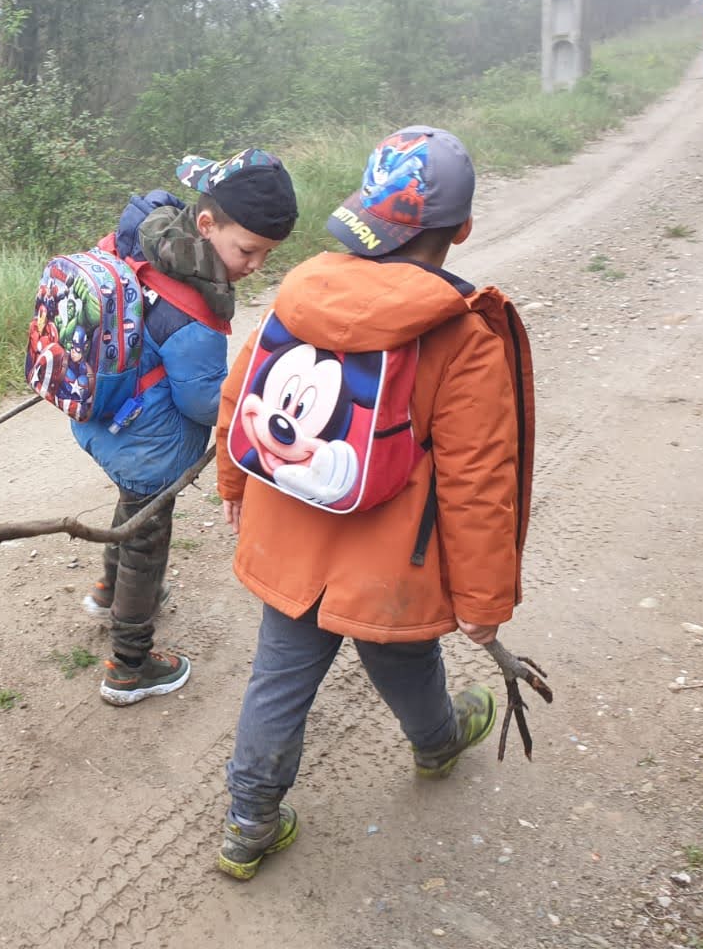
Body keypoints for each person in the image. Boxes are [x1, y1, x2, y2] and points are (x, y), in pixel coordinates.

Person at [212, 126, 534, 880]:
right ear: (462, 229)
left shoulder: (305, 292)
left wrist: (234, 483)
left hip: (293, 538)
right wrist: (483, 600)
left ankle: (249, 822)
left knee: (278, 675)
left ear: (364, 213)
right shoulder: (462, 335)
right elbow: (478, 482)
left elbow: (241, 393)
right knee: (404, 655)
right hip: (392, 563)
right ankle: (438, 742)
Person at [74, 150, 297, 706]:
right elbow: (203, 404)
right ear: (206, 225)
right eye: (248, 249)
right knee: (147, 541)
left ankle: (108, 590)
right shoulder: (196, 311)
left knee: (131, 508)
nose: (255, 265)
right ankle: (129, 665)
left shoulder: (143, 240)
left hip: (101, 412)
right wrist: (246, 402)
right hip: (148, 443)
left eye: (267, 254)